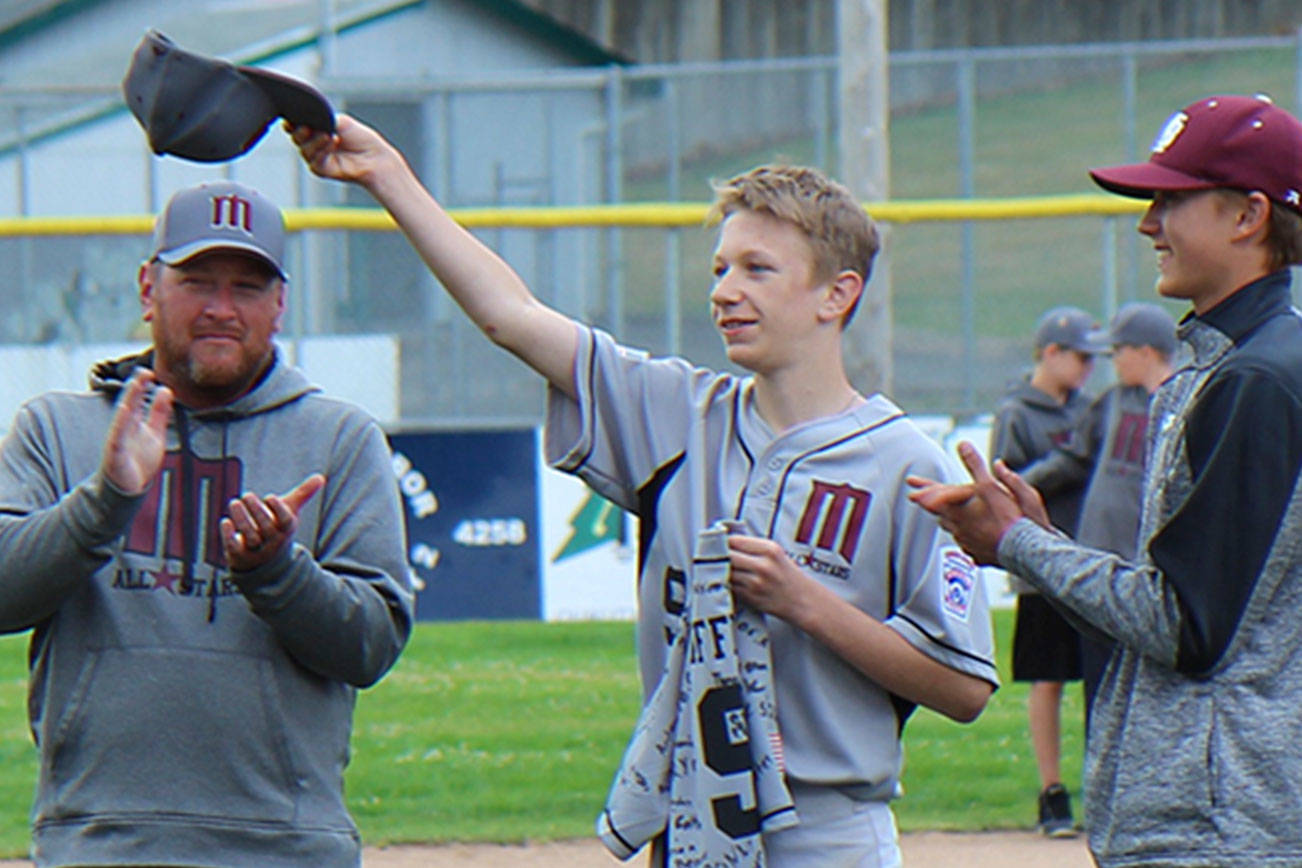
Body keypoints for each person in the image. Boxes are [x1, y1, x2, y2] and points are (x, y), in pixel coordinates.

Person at [291, 114, 999, 866]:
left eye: (757, 269)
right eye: (720, 269)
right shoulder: (674, 414)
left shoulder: (906, 466)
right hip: (689, 823)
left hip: (829, 833)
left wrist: (805, 603)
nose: (725, 291)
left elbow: (962, 689)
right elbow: (510, 317)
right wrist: (387, 176)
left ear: (837, 295)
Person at [909, 93, 1302, 867]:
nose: (1147, 223)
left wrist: (1019, 545)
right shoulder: (1236, 364)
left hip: (1218, 827)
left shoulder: (1256, 379)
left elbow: (1183, 630)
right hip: (1220, 815)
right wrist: (1047, 543)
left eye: (1171, 199)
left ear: (1249, 216)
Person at [0, 180, 415, 867]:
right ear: (147, 288)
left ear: (279, 304)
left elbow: (370, 645)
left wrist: (277, 571)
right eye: (196, 281)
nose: (221, 308)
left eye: (248, 287)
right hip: (101, 843)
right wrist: (103, 501)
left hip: (287, 849)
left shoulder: (340, 440)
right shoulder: (59, 429)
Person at [1019, 302, 1176, 727]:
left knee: (1149, 697)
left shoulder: (1180, 402)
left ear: (1144, 351)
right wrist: (1015, 485)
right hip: (1098, 565)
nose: (1112, 362)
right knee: (1101, 691)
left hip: (1146, 573)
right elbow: (1072, 459)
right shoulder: (1111, 403)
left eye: (1117, 351)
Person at [990, 305, 1103, 838]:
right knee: (1049, 679)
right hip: (1041, 567)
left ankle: (1100, 787)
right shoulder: (1018, 412)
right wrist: (1068, 463)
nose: (1087, 369)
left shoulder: (1090, 409)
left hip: (1087, 556)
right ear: (1051, 353)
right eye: (1080, 357)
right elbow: (1004, 484)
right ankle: (1051, 790)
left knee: (1098, 679)